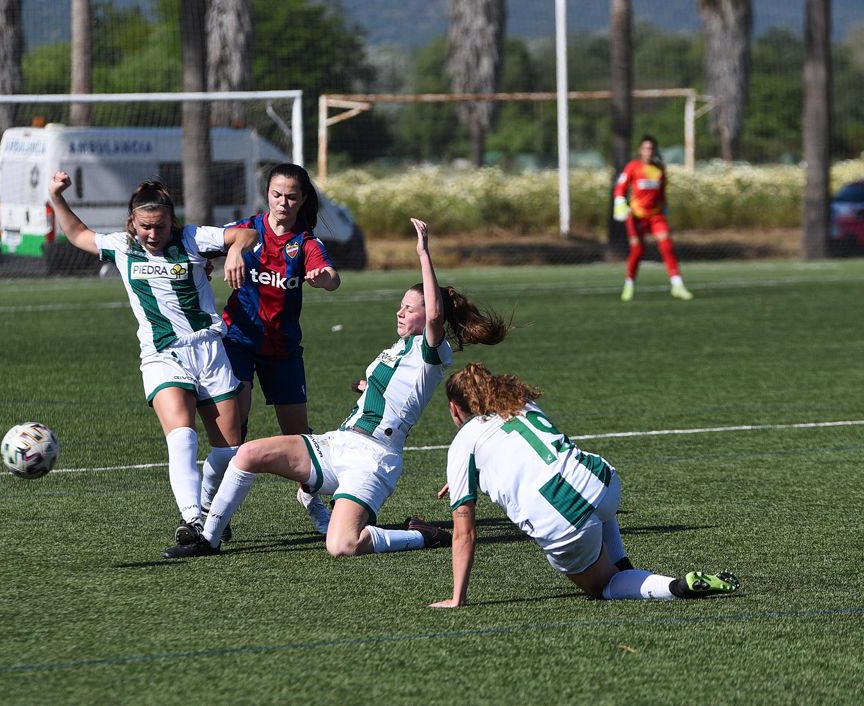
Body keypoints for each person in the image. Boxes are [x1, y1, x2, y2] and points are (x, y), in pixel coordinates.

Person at [169, 217, 509, 559]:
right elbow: (394, 388)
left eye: (409, 308)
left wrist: (423, 253)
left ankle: (420, 535)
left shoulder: (432, 351)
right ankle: (207, 540)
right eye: (401, 305)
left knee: (341, 545)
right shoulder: (398, 347)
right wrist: (369, 389)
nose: (400, 312)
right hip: (339, 443)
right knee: (248, 453)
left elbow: (435, 317)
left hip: (374, 459)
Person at [47, 171, 258, 557]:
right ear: (132, 222)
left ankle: (209, 510)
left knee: (230, 453)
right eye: (145, 226)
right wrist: (57, 197)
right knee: (182, 435)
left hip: (210, 351)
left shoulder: (192, 238)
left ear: (171, 221)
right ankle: (192, 518)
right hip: (162, 354)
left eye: (160, 226)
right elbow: (79, 235)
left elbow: (247, 232)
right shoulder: (122, 246)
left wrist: (235, 249)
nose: (152, 234)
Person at [429, 362, 740, 607]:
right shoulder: (518, 403)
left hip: (563, 518)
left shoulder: (462, 444)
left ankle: (675, 586)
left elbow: (464, 532)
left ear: (455, 409)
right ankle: (624, 564)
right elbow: (518, 452)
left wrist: (458, 597)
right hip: (602, 482)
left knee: (601, 586)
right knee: (588, 498)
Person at [209, 163, 341, 537]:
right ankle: (219, 509)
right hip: (239, 340)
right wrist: (224, 254)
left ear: (303, 200)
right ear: (267, 195)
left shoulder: (306, 243)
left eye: (292, 197)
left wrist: (322, 279)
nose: (283, 203)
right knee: (233, 423)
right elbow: (207, 244)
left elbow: (333, 279)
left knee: (297, 436)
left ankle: (311, 497)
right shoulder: (247, 229)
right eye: (276, 195)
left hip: (283, 350)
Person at [613, 134, 694, 301]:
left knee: (667, 246)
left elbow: (662, 192)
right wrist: (620, 202)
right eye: (645, 148)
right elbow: (620, 187)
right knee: (637, 250)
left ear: (654, 150)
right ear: (640, 150)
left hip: (656, 216)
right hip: (636, 217)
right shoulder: (633, 167)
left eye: (651, 148)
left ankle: (677, 285)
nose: (648, 151)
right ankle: (629, 284)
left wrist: (665, 207)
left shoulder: (660, 169)